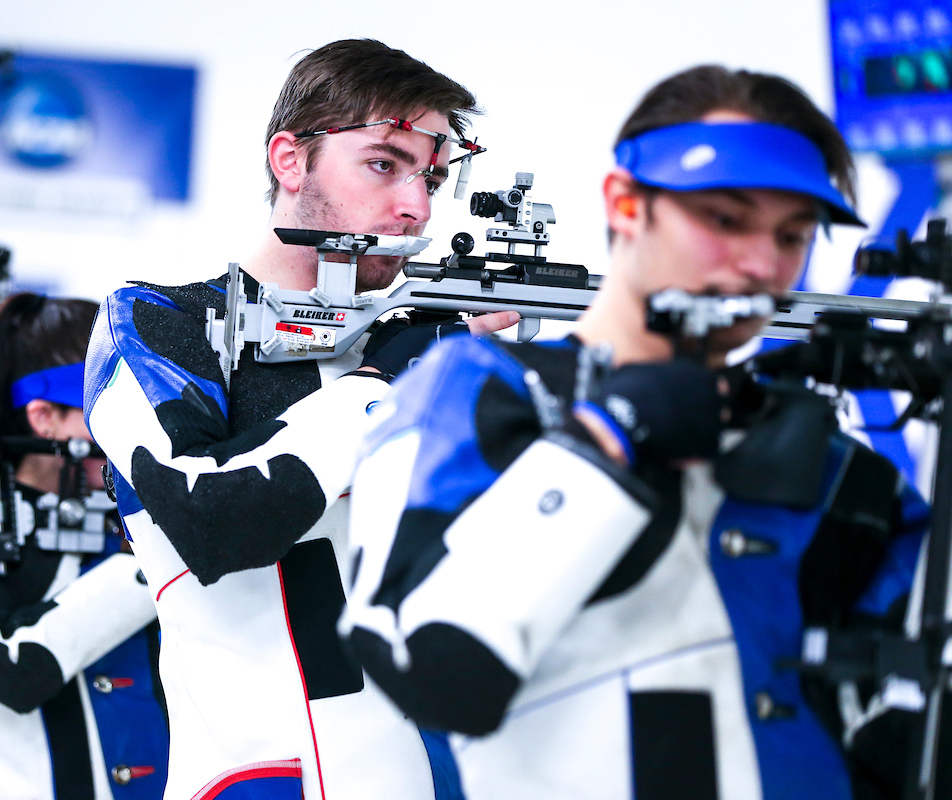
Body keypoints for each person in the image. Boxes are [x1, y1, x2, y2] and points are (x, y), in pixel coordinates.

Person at [339, 65, 928, 800]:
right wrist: (605, 440)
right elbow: (428, 668)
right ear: (625, 203)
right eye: (725, 218)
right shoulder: (473, 394)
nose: (760, 262)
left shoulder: (839, 471)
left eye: (792, 234)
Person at [83, 38, 515, 800]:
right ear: (291, 160)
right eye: (384, 163)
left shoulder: (423, 347)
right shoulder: (158, 321)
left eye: (434, 175)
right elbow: (211, 518)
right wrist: (387, 380)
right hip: (257, 780)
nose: (415, 203)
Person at [0, 292, 169, 800]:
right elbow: (10, 665)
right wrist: (154, 561)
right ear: (43, 417)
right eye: (108, 408)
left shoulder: (149, 521)